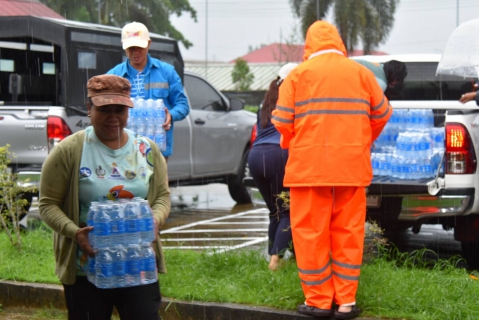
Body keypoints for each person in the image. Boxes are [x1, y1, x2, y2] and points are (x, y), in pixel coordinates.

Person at [272, 21, 391, 319]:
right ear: (339, 43)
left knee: (311, 234)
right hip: (351, 167)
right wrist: (360, 141)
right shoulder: (362, 73)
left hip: (308, 170)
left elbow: (283, 123)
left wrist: (296, 142)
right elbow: (382, 114)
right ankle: (346, 303)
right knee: (348, 233)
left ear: (309, 45)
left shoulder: (298, 75)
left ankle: (319, 302)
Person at [39, 74, 171, 320]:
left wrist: (156, 219)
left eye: (119, 109)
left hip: (137, 266)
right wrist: (73, 232)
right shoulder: (69, 150)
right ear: (89, 109)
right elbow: (47, 204)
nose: (113, 117)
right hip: (85, 269)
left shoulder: (148, 150)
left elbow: (162, 196)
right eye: (104, 109)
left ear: (128, 110)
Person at [107, 21, 189, 161]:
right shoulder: (113, 76)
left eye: (140, 47)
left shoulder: (167, 72)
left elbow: (183, 105)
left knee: (156, 183)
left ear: (149, 43)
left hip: (157, 149)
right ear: (123, 46)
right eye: (131, 48)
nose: (135, 52)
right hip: (123, 150)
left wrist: (171, 115)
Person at [247, 62, 297, 271]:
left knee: (275, 212)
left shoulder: (265, 103)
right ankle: (275, 260)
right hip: (279, 154)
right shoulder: (293, 99)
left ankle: (280, 255)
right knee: (287, 211)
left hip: (256, 156)